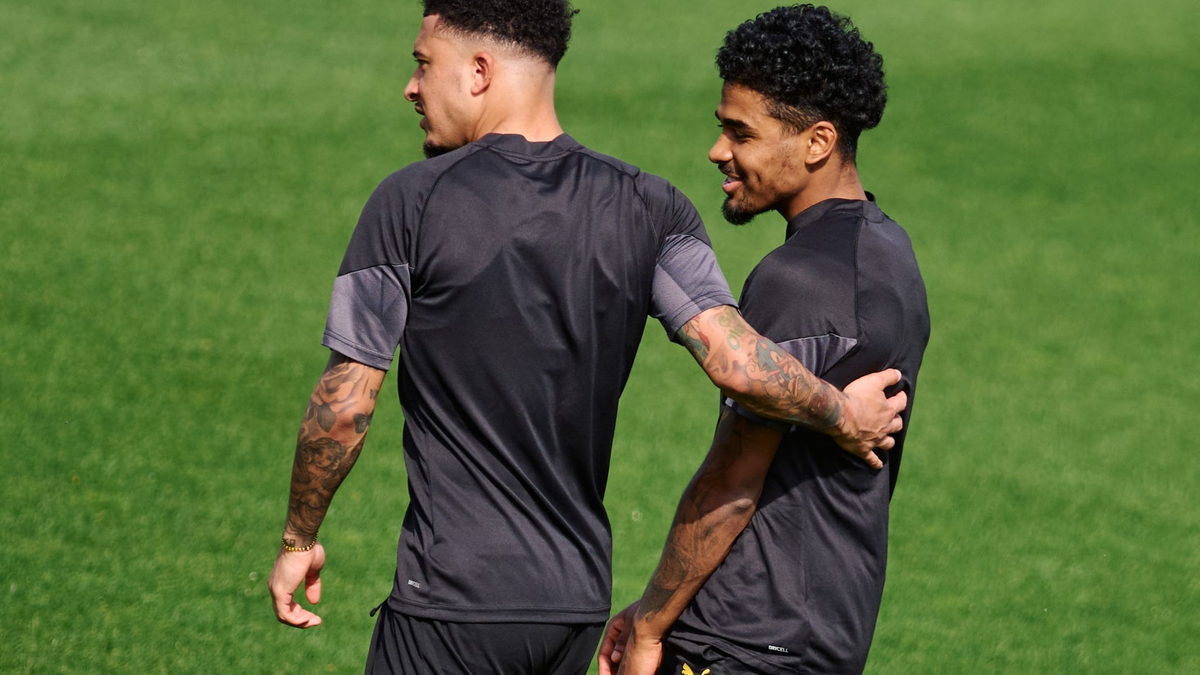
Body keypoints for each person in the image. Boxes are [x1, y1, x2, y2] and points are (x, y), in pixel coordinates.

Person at [266, 2, 907, 674]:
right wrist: (843, 413)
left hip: (452, 599)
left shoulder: (409, 203)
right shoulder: (653, 205)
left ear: (479, 71)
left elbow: (346, 405)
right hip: (574, 609)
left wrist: (298, 538)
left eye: (424, 65)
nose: (412, 87)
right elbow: (738, 361)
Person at [599, 6, 931, 675]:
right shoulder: (890, 251)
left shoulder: (797, 278)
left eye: (740, 132)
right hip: (820, 634)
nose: (718, 151)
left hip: (742, 642)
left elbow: (734, 475)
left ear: (816, 142)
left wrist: (651, 625)